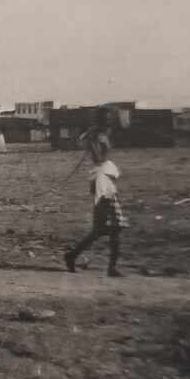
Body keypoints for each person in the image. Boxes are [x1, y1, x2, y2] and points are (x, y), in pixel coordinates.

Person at [64, 107, 127, 277]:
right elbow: (99, 159)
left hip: (103, 178)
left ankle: (72, 256)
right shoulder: (96, 136)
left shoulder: (99, 135)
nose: (108, 121)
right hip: (102, 180)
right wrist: (95, 141)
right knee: (116, 225)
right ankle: (111, 268)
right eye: (105, 118)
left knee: (100, 229)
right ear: (99, 120)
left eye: (109, 118)